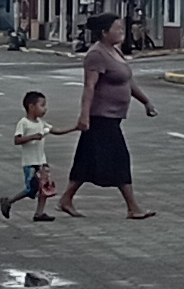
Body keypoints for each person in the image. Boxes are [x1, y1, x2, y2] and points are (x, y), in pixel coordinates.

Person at [60, 11, 157, 220]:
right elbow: (89, 86)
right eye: (117, 28)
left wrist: (146, 101)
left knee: (86, 160)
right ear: (105, 32)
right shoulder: (96, 54)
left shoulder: (114, 51)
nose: (122, 31)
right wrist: (84, 116)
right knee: (120, 158)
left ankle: (66, 199)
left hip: (113, 117)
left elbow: (127, 81)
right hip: (101, 117)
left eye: (122, 27)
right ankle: (133, 207)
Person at [1, 88, 58, 221]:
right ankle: (9, 201)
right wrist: (33, 137)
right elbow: (17, 140)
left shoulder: (41, 123)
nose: (45, 109)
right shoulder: (24, 123)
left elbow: (55, 130)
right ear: (31, 107)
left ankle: (39, 213)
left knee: (45, 187)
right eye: (42, 105)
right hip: (30, 162)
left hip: (41, 161)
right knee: (31, 188)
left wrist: (75, 128)